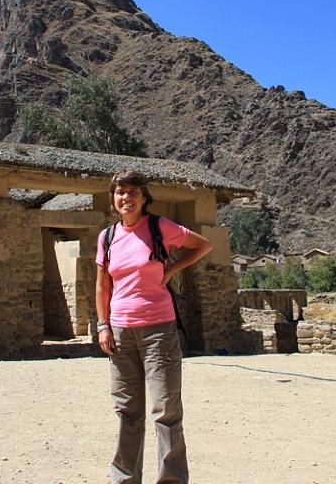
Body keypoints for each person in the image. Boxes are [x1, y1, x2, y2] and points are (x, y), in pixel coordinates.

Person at [95, 170, 212, 484]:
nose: (126, 198)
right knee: (127, 410)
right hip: (120, 332)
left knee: (165, 409)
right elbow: (102, 286)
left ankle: (171, 479)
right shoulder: (106, 237)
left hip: (159, 329)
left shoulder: (160, 227)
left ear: (144, 198)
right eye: (120, 193)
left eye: (133, 192)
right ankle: (124, 478)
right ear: (113, 199)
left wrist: (173, 266)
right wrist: (102, 325)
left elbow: (202, 245)